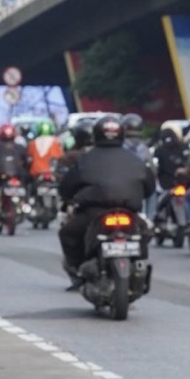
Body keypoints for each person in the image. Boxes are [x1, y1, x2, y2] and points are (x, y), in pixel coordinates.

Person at [58, 115, 155, 291]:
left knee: (68, 233)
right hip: (128, 212)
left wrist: (70, 199)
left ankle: (78, 271)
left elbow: (66, 187)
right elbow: (149, 187)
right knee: (144, 233)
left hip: (94, 213)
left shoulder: (86, 159)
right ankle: (139, 268)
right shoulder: (135, 159)